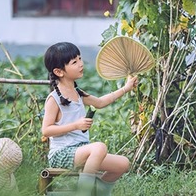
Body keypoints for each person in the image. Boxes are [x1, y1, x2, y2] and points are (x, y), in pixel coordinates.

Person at [41, 42, 138, 196]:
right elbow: (46, 130)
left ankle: (95, 192)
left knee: (123, 164)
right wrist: (75, 125)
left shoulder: (78, 93)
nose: (81, 64)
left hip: (82, 150)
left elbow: (100, 102)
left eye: (80, 59)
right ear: (59, 71)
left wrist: (126, 88)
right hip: (61, 154)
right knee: (99, 147)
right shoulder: (54, 99)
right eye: (74, 62)